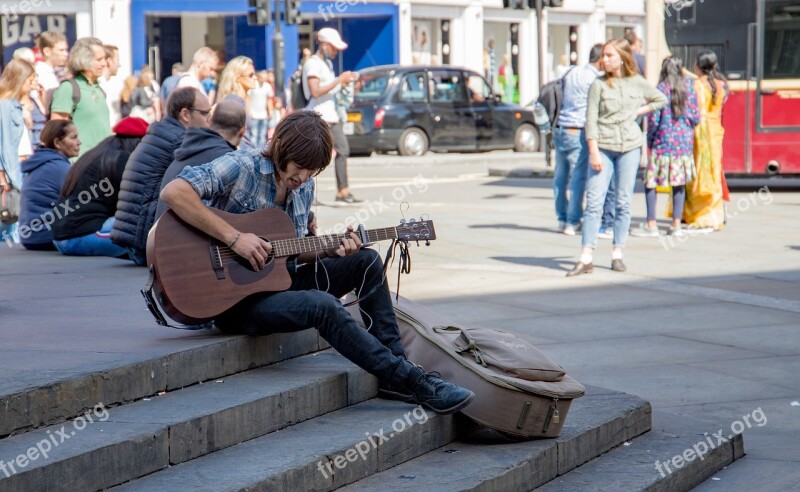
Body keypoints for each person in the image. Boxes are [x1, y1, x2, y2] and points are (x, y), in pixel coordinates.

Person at [159, 110, 475, 415]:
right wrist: (234, 238)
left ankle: (396, 368)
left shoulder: (304, 185)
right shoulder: (243, 165)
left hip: (278, 283)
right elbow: (175, 191)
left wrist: (328, 249)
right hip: (233, 301)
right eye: (299, 167)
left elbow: (291, 250)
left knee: (366, 260)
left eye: (312, 171)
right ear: (280, 147)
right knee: (323, 305)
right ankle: (415, 382)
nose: (304, 177)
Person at [566, 38, 667, 276]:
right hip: (603, 147)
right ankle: (586, 256)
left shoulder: (637, 82)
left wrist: (638, 111)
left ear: (622, 58)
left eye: (610, 55)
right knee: (594, 202)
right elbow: (590, 121)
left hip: (630, 148)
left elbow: (660, 99)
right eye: (603, 55)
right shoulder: (598, 85)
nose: (605, 59)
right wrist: (593, 151)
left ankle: (617, 253)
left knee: (623, 202)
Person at [111, 87, 211, 265]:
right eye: (205, 114)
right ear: (186, 114)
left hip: (134, 238)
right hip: (146, 244)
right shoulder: (181, 140)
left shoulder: (162, 131)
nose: (209, 120)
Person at [52, 117, 148, 257]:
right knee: (145, 222)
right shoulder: (122, 159)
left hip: (61, 238)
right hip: (82, 236)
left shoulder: (98, 154)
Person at [633, 57, 700, 238]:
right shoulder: (690, 89)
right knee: (678, 185)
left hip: (662, 144)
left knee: (650, 183)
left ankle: (651, 224)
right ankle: (676, 224)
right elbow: (696, 117)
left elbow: (653, 121)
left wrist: (651, 141)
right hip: (684, 145)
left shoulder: (660, 90)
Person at [156, 99, 247, 218]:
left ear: (210, 121)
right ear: (242, 131)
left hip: (160, 233)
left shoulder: (184, 150)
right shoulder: (228, 164)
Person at [303, 28, 362, 204]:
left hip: (331, 116)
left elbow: (328, 90)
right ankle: (308, 193)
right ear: (324, 45)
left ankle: (343, 191)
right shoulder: (312, 64)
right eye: (334, 48)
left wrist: (345, 84)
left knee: (343, 150)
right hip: (318, 116)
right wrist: (338, 80)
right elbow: (315, 91)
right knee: (314, 155)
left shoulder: (326, 65)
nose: (336, 52)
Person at [552, 44, 603, 236]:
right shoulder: (594, 79)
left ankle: (561, 218)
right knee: (577, 178)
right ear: (599, 61)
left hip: (560, 128)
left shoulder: (570, 71)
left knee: (559, 177)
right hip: (578, 130)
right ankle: (572, 222)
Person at [683, 49, 729, 231]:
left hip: (700, 132)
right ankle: (716, 213)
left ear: (698, 66)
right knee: (715, 172)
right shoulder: (721, 85)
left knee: (699, 172)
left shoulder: (697, 86)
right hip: (716, 131)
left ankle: (700, 214)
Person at [18, 120, 81, 250]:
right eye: (73, 137)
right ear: (57, 143)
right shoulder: (60, 168)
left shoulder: (43, 163)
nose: (79, 142)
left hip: (30, 236)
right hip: (46, 235)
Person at [50, 37, 112, 158]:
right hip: (80, 165)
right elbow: (55, 132)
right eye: (99, 59)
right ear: (84, 61)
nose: (104, 63)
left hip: (103, 163)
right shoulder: (68, 88)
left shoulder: (99, 89)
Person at [0, 59, 37, 243]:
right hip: (9, 172)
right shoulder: (5, 106)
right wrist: (8, 178)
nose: (32, 85)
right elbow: (4, 144)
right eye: (30, 81)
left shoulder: (12, 103)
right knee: (9, 219)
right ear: (19, 80)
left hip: (13, 169)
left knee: (10, 218)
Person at [216, 56, 256, 141]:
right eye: (251, 75)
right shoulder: (233, 102)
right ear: (237, 78)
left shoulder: (240, 100)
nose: (255, 78)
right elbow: (230, 138)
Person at [35, 31, 69, 99]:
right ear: (47, 51)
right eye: (61, 50)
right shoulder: (40, 74)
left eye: (66, 50)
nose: (66, 54)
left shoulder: (55, 72)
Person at [249, 70, 274, 149]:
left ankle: (261, 151)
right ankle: (253, 150)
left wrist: (270, 112)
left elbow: (269, 100)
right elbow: (248, 98)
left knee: (262, 135)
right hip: (254, 114)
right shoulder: (253, 85)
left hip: (264, 114)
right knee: (254, 135)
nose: (264, 79)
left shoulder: (267, 86)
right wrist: (249, 111)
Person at [99, 44, 123, 126]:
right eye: (117, 60)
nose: (119, 65)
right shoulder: (100, 86)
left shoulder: (109, 84)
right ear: (109, 61)